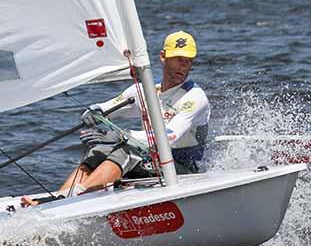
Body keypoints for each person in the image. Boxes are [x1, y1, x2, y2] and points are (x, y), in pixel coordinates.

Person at [22, 30, 209, 206]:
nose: (183, 66)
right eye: (178, 59)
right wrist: (94, 112)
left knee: (127, 150)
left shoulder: (194, 97)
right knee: (100, 149)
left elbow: (169, 136)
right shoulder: (148, 90)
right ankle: (61, 198)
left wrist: (122, 136)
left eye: (188, 60)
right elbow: (109, 106)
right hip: (152, 161)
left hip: (181, 168)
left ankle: (67, 203)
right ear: (163, 57)